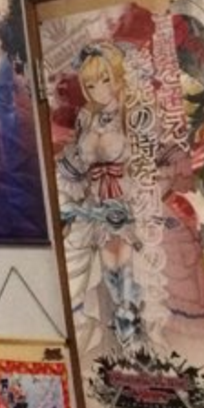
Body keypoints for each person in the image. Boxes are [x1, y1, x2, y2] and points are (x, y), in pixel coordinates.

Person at [57, 42, 148, 352]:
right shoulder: (86, 117)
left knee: (126, 265)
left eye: (104, 80)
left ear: (116, 77)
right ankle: (122, 332)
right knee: (109, 268)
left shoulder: (128, 110)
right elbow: (76, 166)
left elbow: (146, 157)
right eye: (91, 84)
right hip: (97, 203)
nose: (98, 90)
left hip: (126, 197)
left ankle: (132, 323)